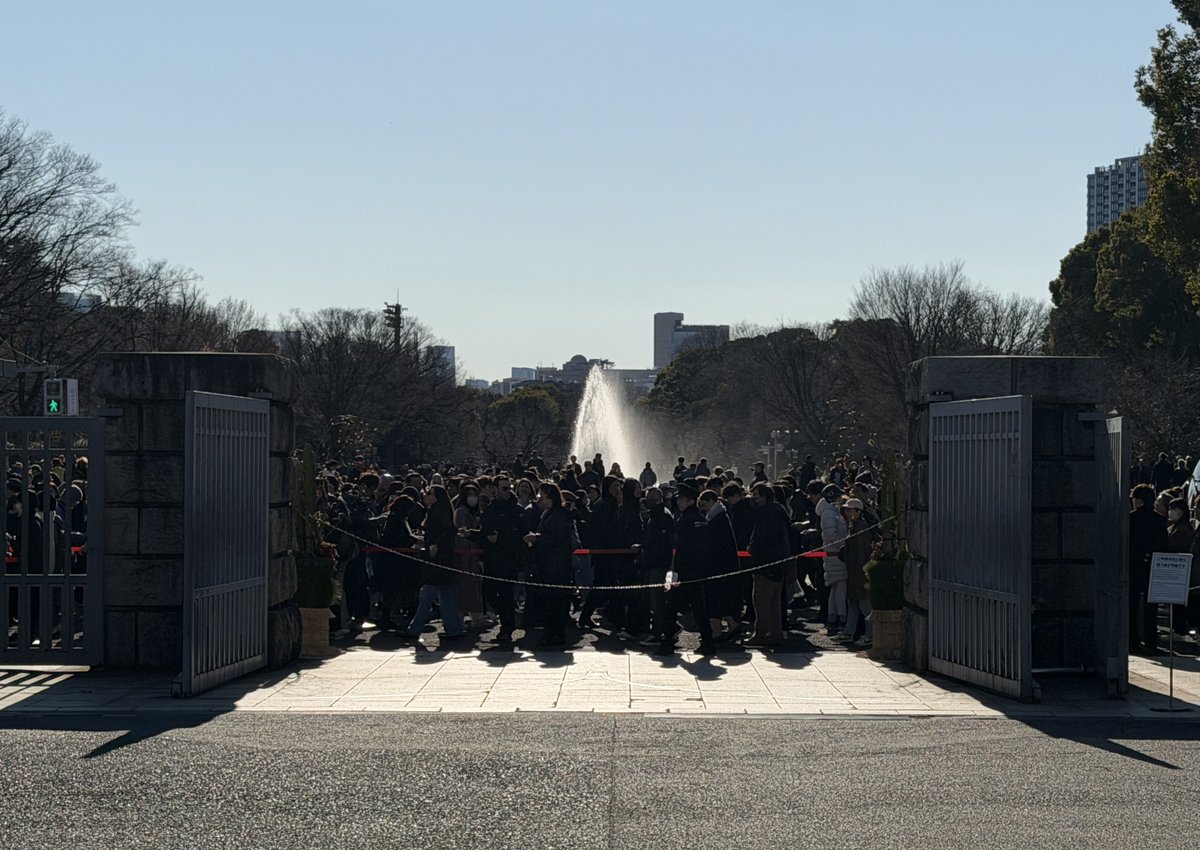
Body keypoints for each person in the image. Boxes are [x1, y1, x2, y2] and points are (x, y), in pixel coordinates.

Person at [655, 483, 714, 655]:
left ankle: (668, 642)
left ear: (689, 500)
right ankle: (707, 641)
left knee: (672, 606)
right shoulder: (699, 518)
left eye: (681, 498)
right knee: (698, 608)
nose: (678, 501)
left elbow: (685, 545)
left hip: (686, 570)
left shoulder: (687, 519)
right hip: (695, 571)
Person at [404, 485, 464, 643]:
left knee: (428, 593)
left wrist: (435, 544)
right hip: (442, 559)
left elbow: (449, 530)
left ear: (436, 496)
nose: (425, 496)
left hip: (438, 559)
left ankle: (414, 629)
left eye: (428, 494)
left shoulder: (437, 512)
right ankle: (454, 628)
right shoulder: (441, 510)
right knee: (445, 595)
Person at [524, 483, 576, 647]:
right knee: (547, 601)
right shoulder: (548, 513)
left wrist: (537, 538)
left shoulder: (560, 515)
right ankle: (551, 632)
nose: (539, 499)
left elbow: (558, 540)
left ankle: (555, 634)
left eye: (542, 496)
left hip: (556, 566)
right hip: (547, 564)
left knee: (555, 601)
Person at [745, 482, 791, 648]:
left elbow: (764, 538)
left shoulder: (767, 514)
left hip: (766, 564)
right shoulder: (779, 511)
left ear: (765, 497)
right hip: (778, 564)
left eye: (756, 495)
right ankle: (775, 633)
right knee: (774, 602)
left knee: (761, 600)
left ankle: (761, 633)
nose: (753, 498)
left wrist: (752, 549)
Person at [481, 476, 525, 644]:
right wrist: (473, 534)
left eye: (509, 487)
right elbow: (484, 531)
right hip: (492, 558)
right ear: (496, 489)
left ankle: (507, 627)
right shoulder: (490, 509)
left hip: (508, 559)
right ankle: (508, 618)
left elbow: (519, 534)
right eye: (504, 488)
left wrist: (500, 537)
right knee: (489, 592)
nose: (508, 491)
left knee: (506, 594)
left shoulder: (516, 510)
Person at [698, 488, 742, 640]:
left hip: (717, 566)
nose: (703, 508)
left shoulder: (716, 519)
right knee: (724, 600)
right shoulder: (721, 516)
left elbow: (714, 544)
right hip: (725, 566)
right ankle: (731, 625)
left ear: (711, 501)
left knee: (715, 600)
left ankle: (716, 630)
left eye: (704, 505)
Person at [1129, 483, 1168, 654]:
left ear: (1138, 500)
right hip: (1153, 566)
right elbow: (1163, 545)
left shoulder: (1131, 518)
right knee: (1151, 605)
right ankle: (1151, 640)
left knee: (1132, 604)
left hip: (1133, 566)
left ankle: (1132, 639)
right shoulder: (1159, 520)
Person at [839, 498, 880, 647]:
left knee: (863, 604)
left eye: (850, 510)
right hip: (854, 571)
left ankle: (870, 634)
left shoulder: (861, 527)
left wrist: (860, 570)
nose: (847, 512)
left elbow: (862, 553)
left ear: (858, 511)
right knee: (853, 603)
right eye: (846, 510)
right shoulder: (854, 525)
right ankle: (848, 632)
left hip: (859, 571)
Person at [816, 484, 848, 636]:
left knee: (835, 588)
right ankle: (841, 619)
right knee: (840, 587)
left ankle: (832, 618)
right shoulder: (829, 513)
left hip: (833, 555)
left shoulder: (830, 511)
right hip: (837, 556)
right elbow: (831, 536)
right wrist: (844, 546)